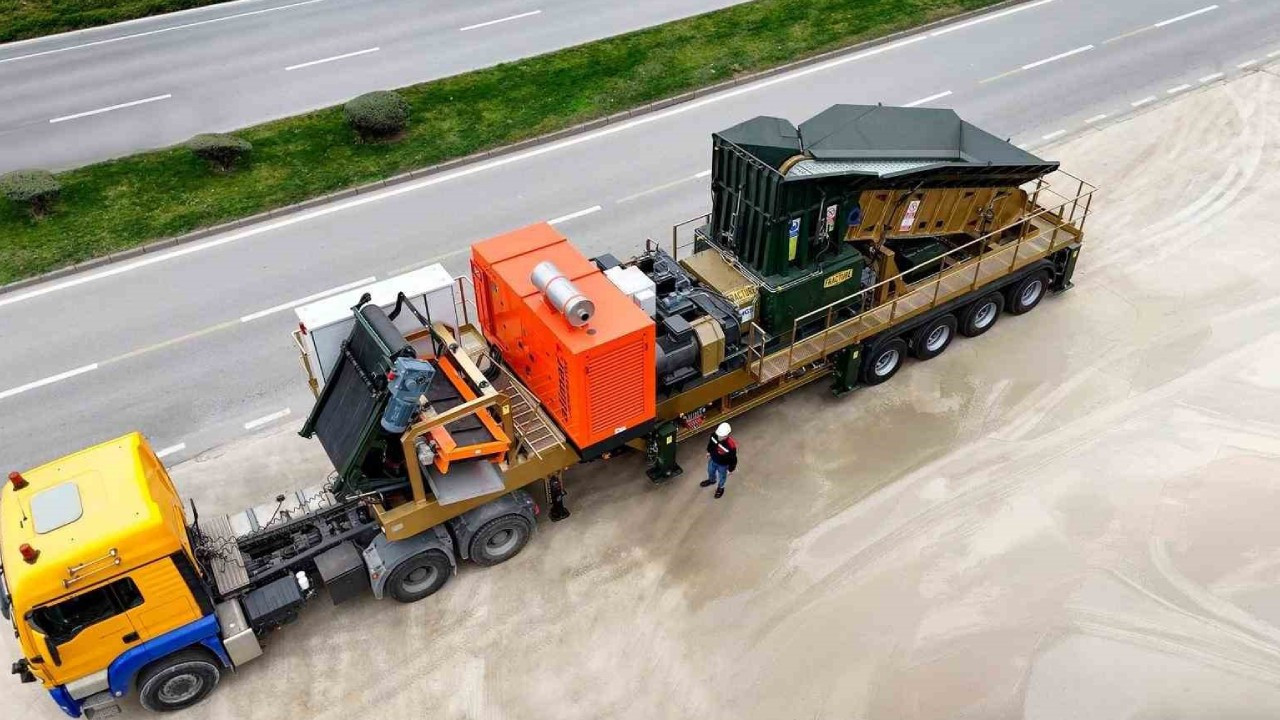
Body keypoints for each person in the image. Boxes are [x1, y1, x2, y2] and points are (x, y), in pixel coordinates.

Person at [700, 423, 737, 499]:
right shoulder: (714, 436)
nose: (719, 437)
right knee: (710, 470)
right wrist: (709, 452)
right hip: (713, 459)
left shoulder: (731, 445)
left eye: (721, 436)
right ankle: (712, 480)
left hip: (723, 465)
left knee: (722, 476)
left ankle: (721, 487)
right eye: (718, 435)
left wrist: (730, 469)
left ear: (727, 435)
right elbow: (711, 444)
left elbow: (733, 458)